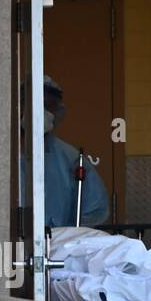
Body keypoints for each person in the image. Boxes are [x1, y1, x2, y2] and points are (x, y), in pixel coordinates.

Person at [42, 77, 109, 228]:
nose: (42, 113)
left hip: (59, 248)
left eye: (48, 107)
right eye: (36, 105)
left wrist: (67, 240)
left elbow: (94, 211)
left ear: (58, 112)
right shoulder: (0, 155)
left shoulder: (71, 160)